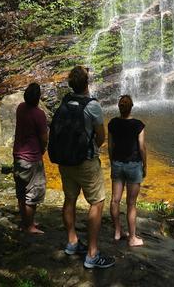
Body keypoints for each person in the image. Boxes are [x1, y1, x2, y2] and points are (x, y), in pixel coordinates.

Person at [57, 66, 114, 270]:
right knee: (97, 202)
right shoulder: (92, 106)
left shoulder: (64, 101)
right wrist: (91, 150)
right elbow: (101, 136)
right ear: (87, 83)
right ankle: (92, 253)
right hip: (86, 162)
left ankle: (72, 242)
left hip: (65, 161)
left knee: (69, 199)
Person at [108, 94, 147, 247]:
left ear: (119, 107)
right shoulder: (138, 125)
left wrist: (113, 161)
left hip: (117, 164)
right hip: (133, 165)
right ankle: (132, 238)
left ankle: (118, 231)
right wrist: (145, 165)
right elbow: (142, 147)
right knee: (131, 203)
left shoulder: (112, 123)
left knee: (115, 200)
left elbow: (110, 146)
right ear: (131, 107)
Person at [13, 82, 48, 234]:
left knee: (22, 191)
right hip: (32, 158)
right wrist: (43, 149)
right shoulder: (39, 114)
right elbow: (44, 138)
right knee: (32, 194)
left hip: (18, 156)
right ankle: (30, 226)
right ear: (38, 98)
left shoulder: (20, 108)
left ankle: (26, 221)